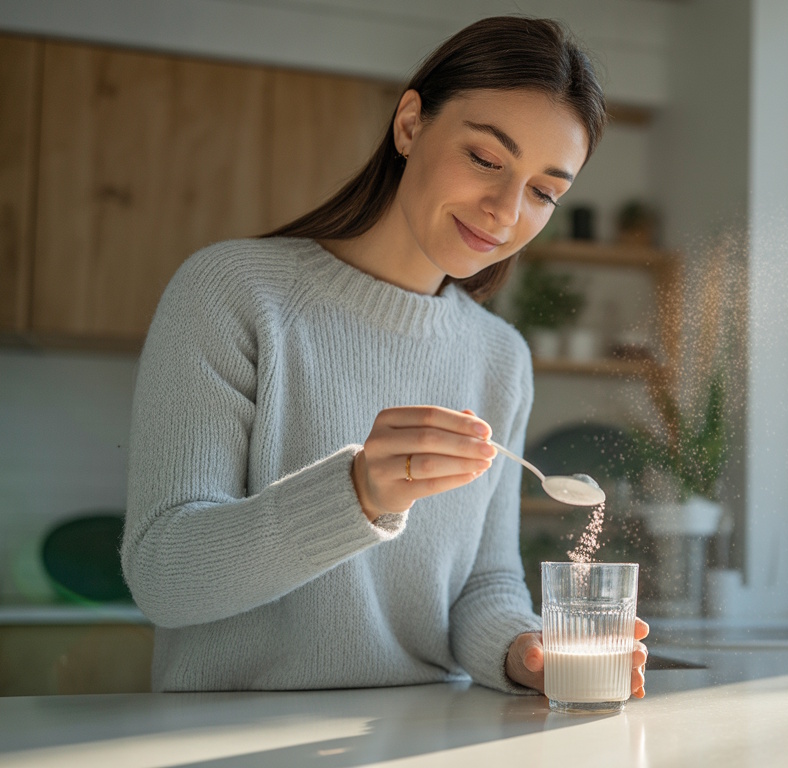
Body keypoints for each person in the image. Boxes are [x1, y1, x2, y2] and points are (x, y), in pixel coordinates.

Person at [122, 15, 648, 697]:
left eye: (544, 191)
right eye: (487, 159)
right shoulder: (234, 294)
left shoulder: (499, 358)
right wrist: (359, 493)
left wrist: (523, 651)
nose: (504, 210)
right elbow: (165, 577)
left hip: (427, 732)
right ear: (410, 124)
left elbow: (482, 585)